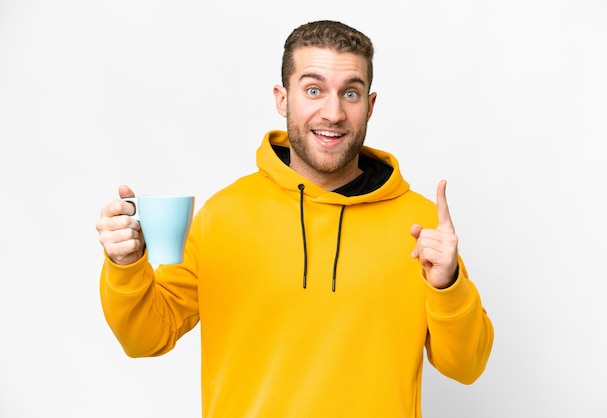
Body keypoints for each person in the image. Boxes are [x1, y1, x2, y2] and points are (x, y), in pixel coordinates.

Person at [96, 20, 494, 418]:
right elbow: (145, 337)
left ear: (370, 106)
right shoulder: (224, 215)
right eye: (314, 90)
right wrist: (126, 266)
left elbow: (466, 366)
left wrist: (449, 285)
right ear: (282, 99)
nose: (333, 112)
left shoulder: (420, 225)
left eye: (350, 93)